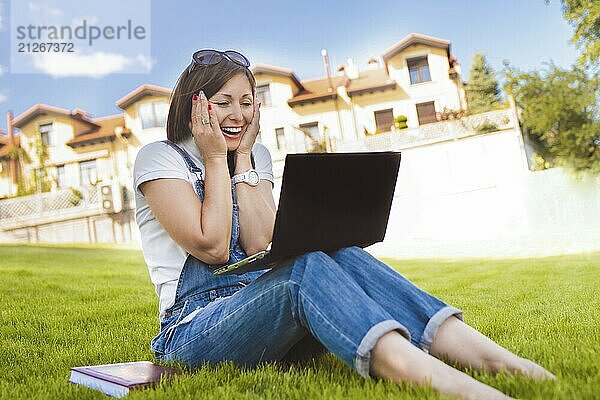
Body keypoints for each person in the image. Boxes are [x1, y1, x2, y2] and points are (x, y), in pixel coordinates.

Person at [133, 49, 555, 400]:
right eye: (223, 102)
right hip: (193, 331)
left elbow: (262, 242)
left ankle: (501, 362)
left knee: (340, 251)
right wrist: (212, 158)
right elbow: (213, 247)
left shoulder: (253, 157)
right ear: (196, 106)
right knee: (301, 273)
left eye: (247, 102)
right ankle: (444, 381)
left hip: (270, 320)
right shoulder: (161, 158)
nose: (238, 114)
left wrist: (242, 159)